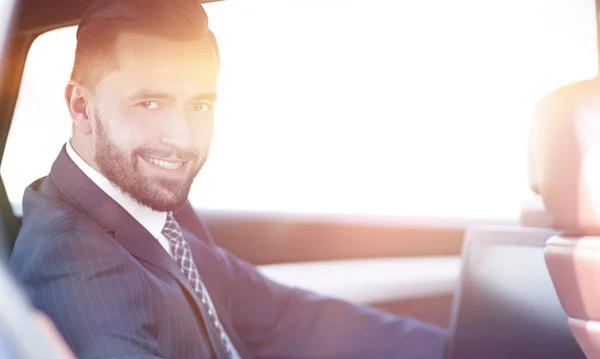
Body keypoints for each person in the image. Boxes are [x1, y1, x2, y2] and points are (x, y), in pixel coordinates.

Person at [9, 0, 447, 357]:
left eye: (198, 105)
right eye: (149, 104)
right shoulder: (75, 269)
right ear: (81, 107)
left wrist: (465, 349)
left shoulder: (147, 201)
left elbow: (281, 315)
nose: (181, 138)